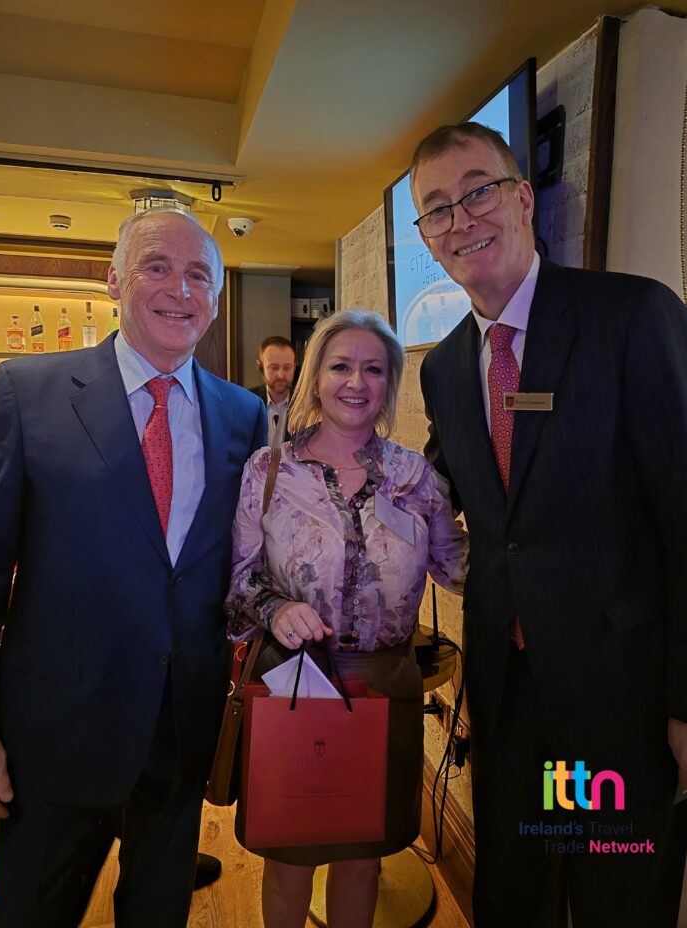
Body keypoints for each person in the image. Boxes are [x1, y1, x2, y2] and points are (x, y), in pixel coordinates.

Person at [411, 122, 687, 927]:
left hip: (622, 701)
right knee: (512, 897)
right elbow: (437, 488)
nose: (461, 219)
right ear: (426, 238)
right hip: (507, 699)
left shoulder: (630, 316)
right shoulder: (444, 368)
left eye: (478, 192)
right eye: (438, 209)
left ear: (524, 199)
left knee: (616, 903)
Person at [0, 208, 267, 927]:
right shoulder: (23, 392)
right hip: (55, 734)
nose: (181, 289)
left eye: (199, 275)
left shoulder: (243, 415)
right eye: (157, 267)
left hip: (180, 729)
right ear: (113, 280)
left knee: (158, 911)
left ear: (215, 298)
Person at [225, 309, 468, 928]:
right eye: (340, 366)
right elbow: (239, 582)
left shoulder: (416, 478)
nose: (356, 382)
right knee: (290, 861)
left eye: (373, 369)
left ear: (390, 383)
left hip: (386, 684)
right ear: (314, 377)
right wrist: (276, 607)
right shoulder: (268, 472)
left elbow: (459, 568)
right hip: (296, 683)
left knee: (363, 861)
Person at [249, 335, 296, 444]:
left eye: (287, 368)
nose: (281, 375)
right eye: (274, 368)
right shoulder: (247, 402)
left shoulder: (306, 405)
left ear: (294, 366)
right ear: (260, 367)